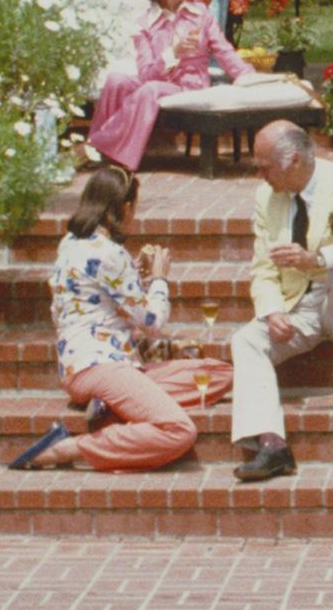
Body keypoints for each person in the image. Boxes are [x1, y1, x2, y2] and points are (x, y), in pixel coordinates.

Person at [224, 119, 333, 483]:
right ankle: (272, 445)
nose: (259, 174)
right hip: (298, 305)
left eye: (265, 166)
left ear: (294, 161)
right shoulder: (267, 197)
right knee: (245, 340)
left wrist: (317, 259)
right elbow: (262, 267)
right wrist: (270, 310)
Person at [28, 163, 205, 475]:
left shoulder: (69, 243)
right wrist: (160, 279)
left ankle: (112, 407)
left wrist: (134, 275)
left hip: (82, 364)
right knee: (178, 430)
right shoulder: (111, 253)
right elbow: (152, 320)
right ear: (124, 208)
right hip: (101, 366)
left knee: (214, 374)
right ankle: (67, 447)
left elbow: (93, 296)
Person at [83, 0, 250, 169]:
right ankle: (106, 154)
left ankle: (99, 146)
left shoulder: (200, 15)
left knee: (150, 90)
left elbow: (224, 51)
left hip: (188, 85)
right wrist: (172, 54)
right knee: (116, 81)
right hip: (157, 81)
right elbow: (145, 74)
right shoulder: (144, 24)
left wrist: (248, 76)